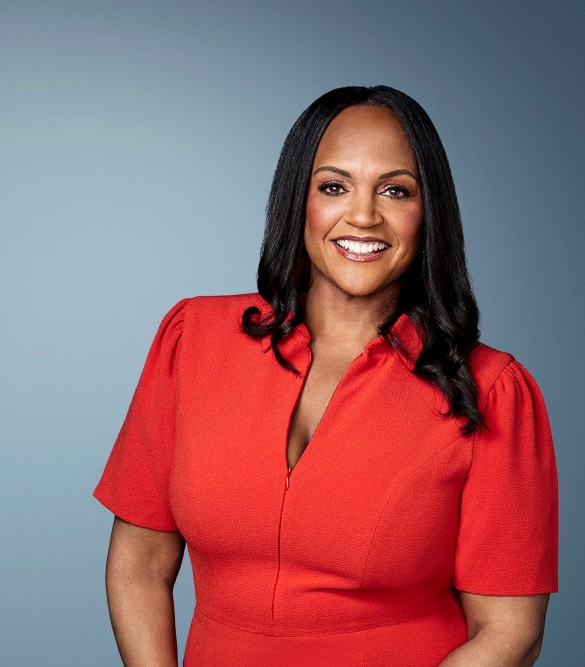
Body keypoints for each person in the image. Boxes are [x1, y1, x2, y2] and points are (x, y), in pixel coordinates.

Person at [93, 85, 559, 666]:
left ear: (428, 212)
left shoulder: (491, 390)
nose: (363, 216)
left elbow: (511, 633)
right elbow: (138, 564)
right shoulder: (194, 341)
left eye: (395, 190)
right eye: (334, 187)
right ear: (300, 199)